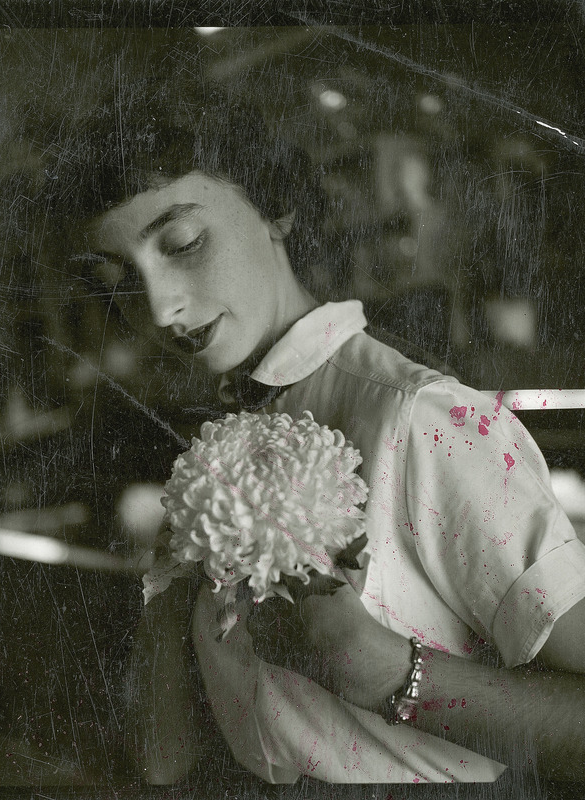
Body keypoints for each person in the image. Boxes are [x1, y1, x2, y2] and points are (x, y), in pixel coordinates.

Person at [52, 75, 585, 787]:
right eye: (118, 277)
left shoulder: (423, 418)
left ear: (275, 207)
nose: (159, 307)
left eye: (181, 242)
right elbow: (162, 760)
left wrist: (391, 672)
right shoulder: (216, 451)